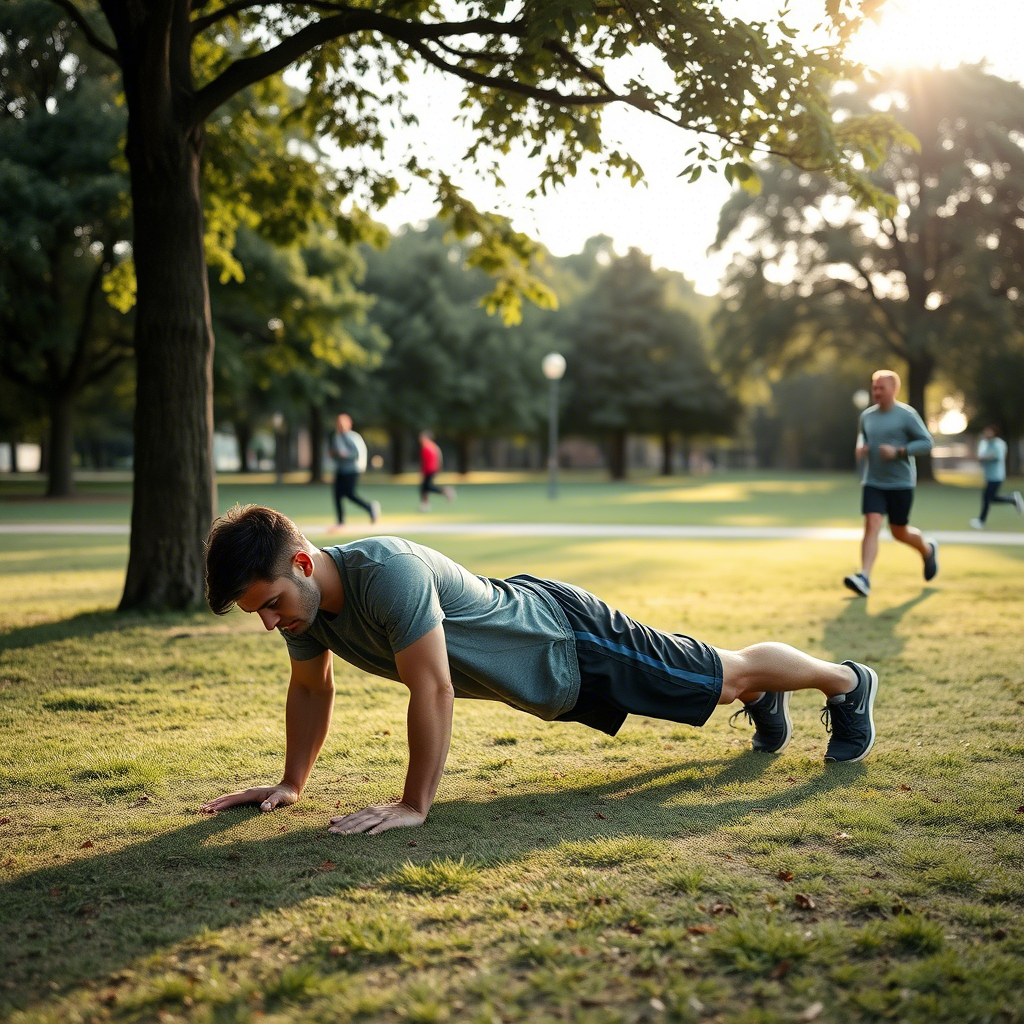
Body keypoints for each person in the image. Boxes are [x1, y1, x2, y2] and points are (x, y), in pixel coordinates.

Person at [201, 505, 880, 836]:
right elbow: (311, 686)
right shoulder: (306, 611)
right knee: (716, 681)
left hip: (568, 638)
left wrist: (414, 804)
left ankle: (847, 681)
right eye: (257, 614)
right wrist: (292, 783)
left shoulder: (386, 573)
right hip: (549, 672)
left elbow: (432, 687)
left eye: (270, 605)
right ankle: (764, 698)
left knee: (724, 674)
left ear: (300, 564)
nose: (269, 622)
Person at [843, 370, 937, 598]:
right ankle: (864, 576)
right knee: (872, 523)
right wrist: (861, 448)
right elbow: (863, 437)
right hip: (874, 481)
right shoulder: (867, 416)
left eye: (881, 388)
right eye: (874, 387)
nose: (876, 392)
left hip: (901, 483)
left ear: (894, 390)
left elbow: (927, 443)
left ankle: (927, 550)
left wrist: (899, 451)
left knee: (899, 532)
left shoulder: (907, 415)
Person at [329, 413, 379, 530]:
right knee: (337, 495)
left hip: (352, 469)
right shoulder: (336, 437)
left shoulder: (353, 437)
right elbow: (337, 453)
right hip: (340, 469)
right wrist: (334, 454)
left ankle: (370, 507)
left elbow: (357, 454)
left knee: (349, 494)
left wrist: (345, 455)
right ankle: (340, 521)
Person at [969, 424, 1023, 529]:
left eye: (989, 431)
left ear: (994, 433)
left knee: (987, 498)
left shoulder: (999, 444)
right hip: (988, 476)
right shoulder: (985, 443)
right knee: (990, 498)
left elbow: (996, 457)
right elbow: (979, 455)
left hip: (997, 476)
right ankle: (1012, 500)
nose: (986, 433)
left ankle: (981, 521)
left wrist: (983, 458)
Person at [418, 430, 455, 512]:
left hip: (429, 469)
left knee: (427, 487)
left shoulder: (427, 447)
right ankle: (425, 504)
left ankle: (445, 491)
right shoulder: (433, 446)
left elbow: (425, 461)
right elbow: (439, 457)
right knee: (424, 487)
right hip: (432, 469)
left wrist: (424, 471)